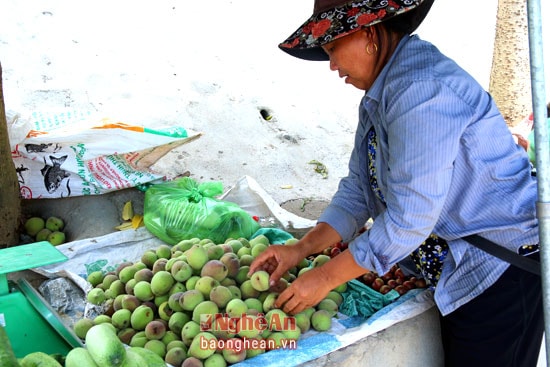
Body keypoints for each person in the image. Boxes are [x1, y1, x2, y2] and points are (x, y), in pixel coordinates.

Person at [248, 0, 543, 366]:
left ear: (368, 31)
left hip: (500, 272)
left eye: (333, 49)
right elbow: (358, 190)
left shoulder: (421, 90)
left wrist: (325, 277)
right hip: (462, 272)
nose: (332, 66)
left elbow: (410, 219)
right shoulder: (381, 95)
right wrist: (301, 249)